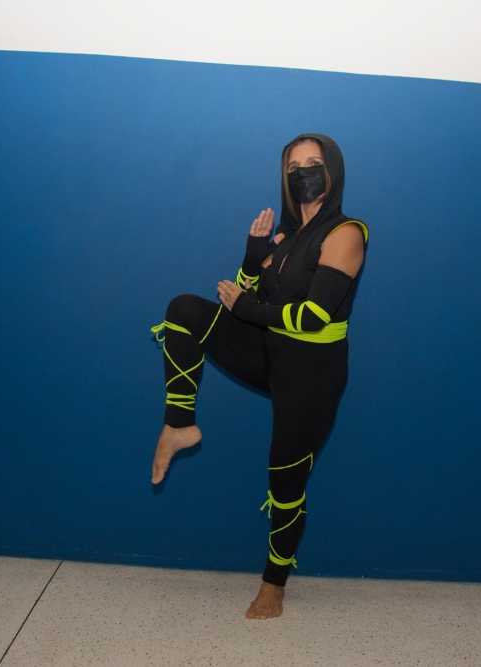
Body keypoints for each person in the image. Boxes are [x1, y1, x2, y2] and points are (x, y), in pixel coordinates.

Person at [150, 133, 368, 620]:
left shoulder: (346, 233)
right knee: (183, 310)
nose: (302, 172)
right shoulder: (286, 237)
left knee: (285, 481)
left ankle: (274, 583)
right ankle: (179, 424)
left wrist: (248, 307)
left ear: (332, 170)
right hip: (270, 352)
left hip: (312, 371)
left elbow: (312, 317)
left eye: (313, 162)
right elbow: (242, 296)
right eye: (292, 166)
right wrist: (252, 256)